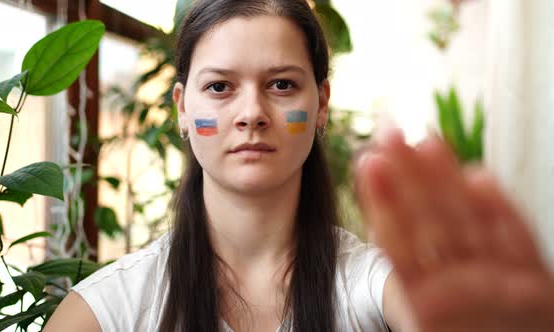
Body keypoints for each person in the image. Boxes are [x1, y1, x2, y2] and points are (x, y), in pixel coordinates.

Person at [44, 0, 554, 331]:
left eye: (282, 84)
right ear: (182, 106)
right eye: (219, 87)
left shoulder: (375, 287)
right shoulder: (101, 313)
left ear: (322, 103)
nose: (250, 114)